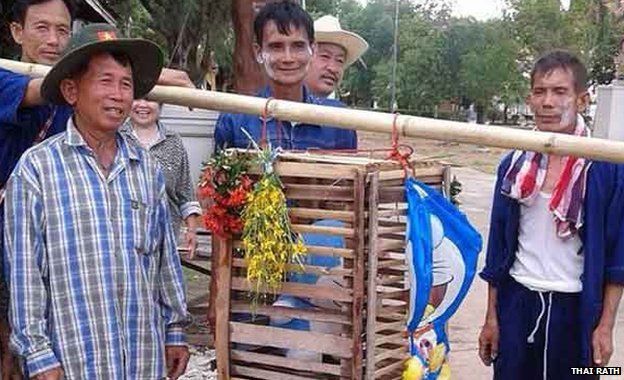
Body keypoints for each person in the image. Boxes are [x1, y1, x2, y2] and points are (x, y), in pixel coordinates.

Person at [0, 3, 195, 376]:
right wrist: (39, 356)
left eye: (127, 84)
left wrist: (174, 330)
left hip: (141, 356)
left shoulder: (146, 169)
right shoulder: (37, 169)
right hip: (72, 358)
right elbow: (26, 272)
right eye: (105, 82)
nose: (119, 95)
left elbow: (163, 260)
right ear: (71, 90)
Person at [478, 50, 624, 380]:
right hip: (518, 302)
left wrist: (606, 325)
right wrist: (492, 316)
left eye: (560, 92)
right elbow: (498, 249)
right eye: (540, 92)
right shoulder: (514, 166)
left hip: (576, 310)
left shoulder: (606, 169)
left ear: (582, 100)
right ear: (529, 99)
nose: (548, 102)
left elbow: (617, 259)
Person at [214, 0, 357, 151]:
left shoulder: (339, 120)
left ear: (312, 50)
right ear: (259, 52)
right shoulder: (235, 119)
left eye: (298, 46)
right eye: (276, 47)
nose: (288, 58)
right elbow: (218, 173)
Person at [123, 99, 202, 258]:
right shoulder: (115, 137)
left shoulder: (173, 142)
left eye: (150, 100)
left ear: (160, 105)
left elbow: (185, 192)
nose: (143, 105)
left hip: (164, 240)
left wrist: (191, 231)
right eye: (138, 98)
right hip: (123, 239)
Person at [304, 15, 368, 99]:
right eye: (325, 56)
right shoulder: (282, 103)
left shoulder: (340, 110)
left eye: (339, 61)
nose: (333, 68)